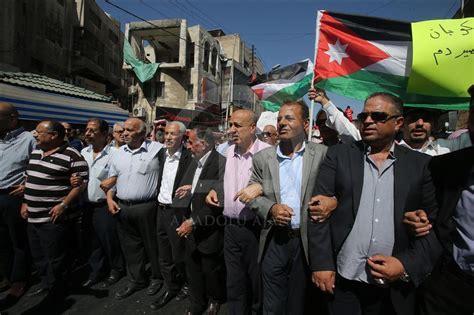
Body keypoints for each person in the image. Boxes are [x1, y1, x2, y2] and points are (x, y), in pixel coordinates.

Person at [308, 93, 440, 315]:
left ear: (398, 123)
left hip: (395, 287)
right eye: (364, 115)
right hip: (343, 280)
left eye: (378, 116)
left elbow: (434, 227)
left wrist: (405, 266)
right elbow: (317, 212)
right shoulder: (339, 155)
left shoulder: (421, 165)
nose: (368, 121)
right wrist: (322, 263)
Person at [243, 100, 330, 314]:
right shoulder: (263, 158)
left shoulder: (323, 154)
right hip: (274, 240)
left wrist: (333, 201)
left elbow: (335, 191)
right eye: (279, 118)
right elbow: (251, 194)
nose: (282, 123)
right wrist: (271, 208)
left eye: (289, 118)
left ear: (306, 124)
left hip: (306, 242)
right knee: (272, 304)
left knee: (299, 303)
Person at [206, 109, 271, 315]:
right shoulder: (227, 151)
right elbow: (222, 178)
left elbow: (278, 188)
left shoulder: (268, 153)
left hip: (256, 229)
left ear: (253, 128)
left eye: (237, 125)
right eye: (230, 125)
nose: (232, 130)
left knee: (256, 280)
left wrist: (261, 188)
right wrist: (215, 189)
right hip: (230, 227)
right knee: (234, 280)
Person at [22, 121, 89, 302]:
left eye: (39, 132)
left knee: (56, 257)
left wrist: (63, 205)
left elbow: (81, 184)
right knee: (39, 255)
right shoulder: (36, 152)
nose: (35, 135)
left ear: (54, 136)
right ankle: (46, 284)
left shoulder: (72, 155)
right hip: (33, 216)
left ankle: (58, 290)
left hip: (53, 218)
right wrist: (25, 203)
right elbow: (29, 178)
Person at [308, 87, 472, 155]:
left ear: (434, 124)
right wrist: (325, 102)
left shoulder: (447, 149)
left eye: (426, 119)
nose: (420, 123)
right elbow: (349, 132)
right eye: (413, 119)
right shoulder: (385, 150)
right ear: (400, 123)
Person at [106, 118, 164, 300]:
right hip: (122, 206)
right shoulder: (117, 153)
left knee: (152, 246)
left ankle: (157, 277)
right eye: (124, 130)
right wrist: (109, 198)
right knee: (131, 247)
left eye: (130, 130)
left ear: (142, 133)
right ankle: (136, 280)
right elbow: (112, 179)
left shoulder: (157, 149)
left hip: (147, 207)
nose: (124, 133)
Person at [175, 128, 226, 315]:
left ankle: (215, 300)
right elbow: (205, 186)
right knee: (193, 269)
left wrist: (193, 222)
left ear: (203, 144)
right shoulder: (196, 162)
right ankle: (197, 303)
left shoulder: (221, 163)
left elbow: (217, 201)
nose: (187, 146)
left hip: (209, 229)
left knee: (211, 270)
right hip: (192, 227)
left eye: (190, 142)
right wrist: (192, 188)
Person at [151, 121, 195, 310]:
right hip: (160, 210)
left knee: (179, 254)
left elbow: (200, 182)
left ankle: (187, 284)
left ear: (182, 137)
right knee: (164, 254)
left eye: (172, 134)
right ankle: (171, 286)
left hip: (177, 212)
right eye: (166, 133)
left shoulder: (190, 158)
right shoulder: (161, 154)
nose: (167, 137)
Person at [80, 118, 125, 288]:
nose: (88, 133)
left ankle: (117, 268)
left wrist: (112, 182)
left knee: (109, 239)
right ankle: (96, 271)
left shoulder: (116, 154)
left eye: (93, 130)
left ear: (105, 134)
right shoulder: (83, 153)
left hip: (105, 205)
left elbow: (122, 176)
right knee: (91, 241)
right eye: (87, 130)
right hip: (86, 204)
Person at [0, 103, 36, 306]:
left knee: (18, 240)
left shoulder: (29, 140)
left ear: (12, 119)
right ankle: (7, 275)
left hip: (14, 197)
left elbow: (38, 166)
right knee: (2, 240)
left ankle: (19, 279)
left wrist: (26, 187)